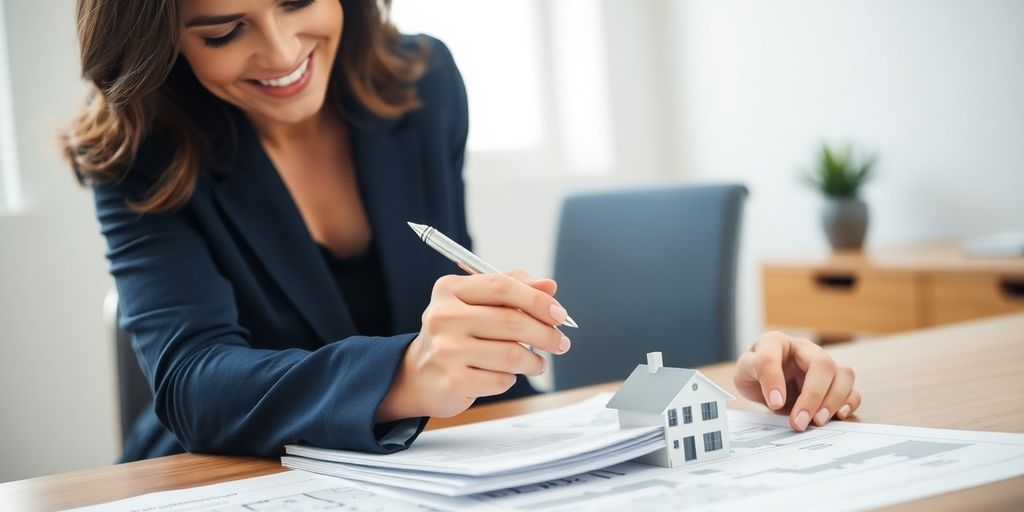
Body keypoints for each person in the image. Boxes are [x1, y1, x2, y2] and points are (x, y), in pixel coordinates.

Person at [63, 0, 861, 462]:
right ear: (161, 36)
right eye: (221, 30)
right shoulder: (137, 151)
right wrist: (405, 375)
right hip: (224, 477)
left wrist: (728, 398)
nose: (280, 52)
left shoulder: (424, 83)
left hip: (430, 465)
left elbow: (471, 358)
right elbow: (194, 383)